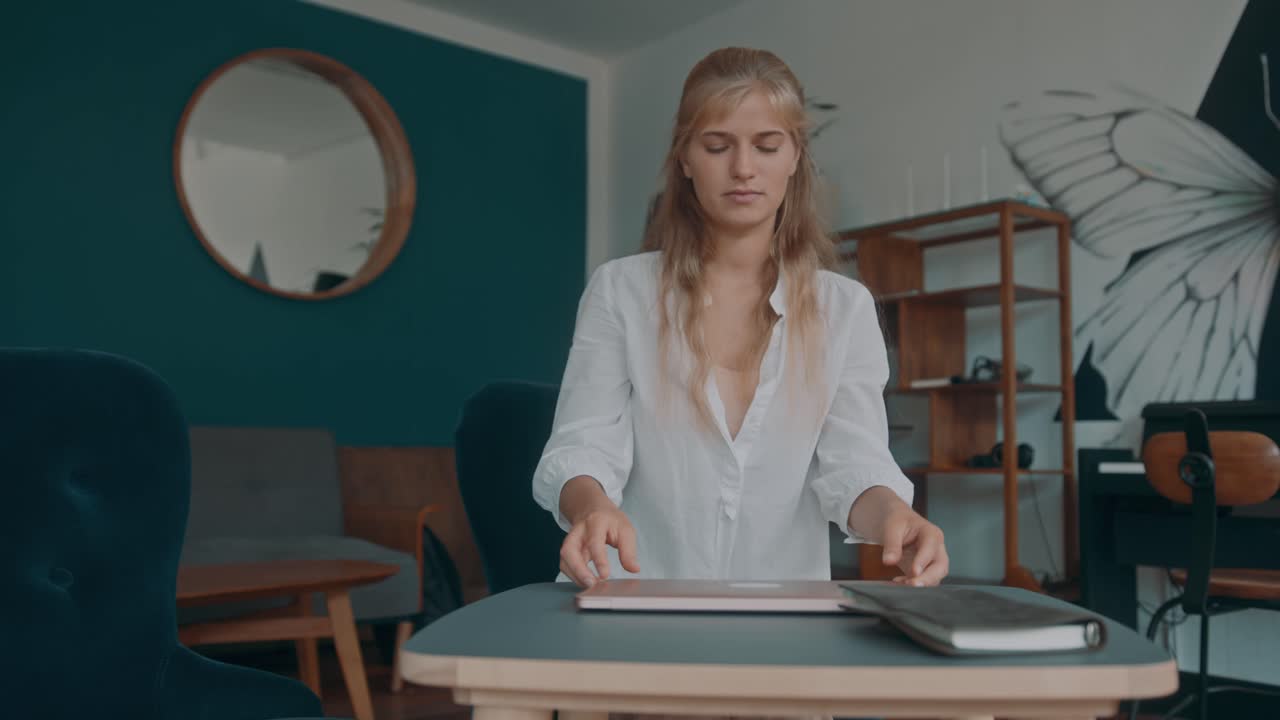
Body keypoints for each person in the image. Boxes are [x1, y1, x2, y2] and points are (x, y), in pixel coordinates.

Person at [533, 46, 948, 590]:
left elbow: (852, 469)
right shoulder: (620, 291)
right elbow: (581, 446)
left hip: (782, 619)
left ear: (795, 155)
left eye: (767, 145)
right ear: (684, 159)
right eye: (716, 146)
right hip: (636, 598)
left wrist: (896, 516)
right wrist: (590, 507)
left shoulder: (845, 310)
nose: (744, 169)